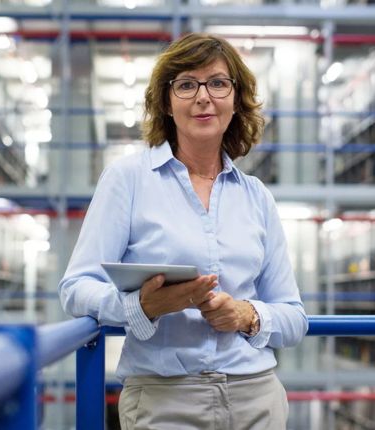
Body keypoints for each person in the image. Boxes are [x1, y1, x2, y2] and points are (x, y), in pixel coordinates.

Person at [59, 32, 308, 430]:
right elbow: (76, 288)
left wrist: (246, 315)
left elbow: (293, 317)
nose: (203, 97)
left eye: (218, 83)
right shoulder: (128, 180)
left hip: (256, 398)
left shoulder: (257, 197)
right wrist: (143, 306)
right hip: (164, 400)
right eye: (187, 84)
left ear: (236, 99)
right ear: (166, 103)